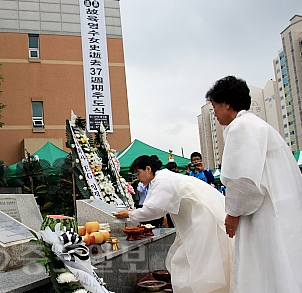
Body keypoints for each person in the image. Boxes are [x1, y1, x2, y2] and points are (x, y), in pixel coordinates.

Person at [206, 75, 302, 292]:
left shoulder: (241, 126)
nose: (215, 114)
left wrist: (233, 212)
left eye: (215, 107)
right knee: (281, 265)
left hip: (264, 213)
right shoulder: (257, 125)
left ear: (226, 104)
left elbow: (245, 182)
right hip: (278, 208)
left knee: (265, 268)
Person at [114, 155, 232, 293]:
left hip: (201, 220)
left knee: (191, 261)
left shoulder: (163, 180)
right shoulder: (163, 178)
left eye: (139, 174)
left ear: (148, 169)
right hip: (195, 221)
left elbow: (155, 210)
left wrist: (129, 214)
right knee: (187, 260)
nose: (138, 178)